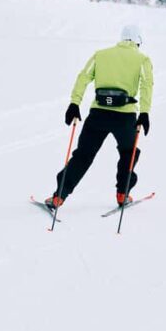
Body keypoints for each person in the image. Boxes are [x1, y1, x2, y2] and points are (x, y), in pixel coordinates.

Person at [45, 25, 154, 209]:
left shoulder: (100, 55)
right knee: (129, 154)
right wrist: (144, 113)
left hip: (98, 115)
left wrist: (74, 103)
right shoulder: (142, 59)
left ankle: (59, 196)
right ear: (138, 41)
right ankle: (122, 194)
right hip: (125, 117)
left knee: (83, 155)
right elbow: (147, 85)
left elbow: (83, 77)